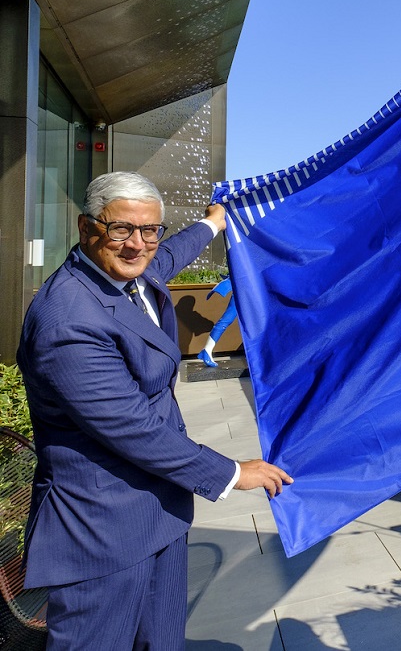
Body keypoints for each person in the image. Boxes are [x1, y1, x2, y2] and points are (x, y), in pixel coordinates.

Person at [17, 171, 292, 651]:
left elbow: (166, 255)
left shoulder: (134, 270)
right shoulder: (68, 318)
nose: (136, 245)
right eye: (121, 229)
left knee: (162, 642)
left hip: (160, 512)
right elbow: (131, 428)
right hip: (101, 533)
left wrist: (214, 223)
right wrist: (229, 473)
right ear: (87, 229)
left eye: (149, 230)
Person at [198, 275, 237, 367]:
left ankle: (207, 350)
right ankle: (207, 350)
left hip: (249, 290)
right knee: (225, 321)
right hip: (243, 290)